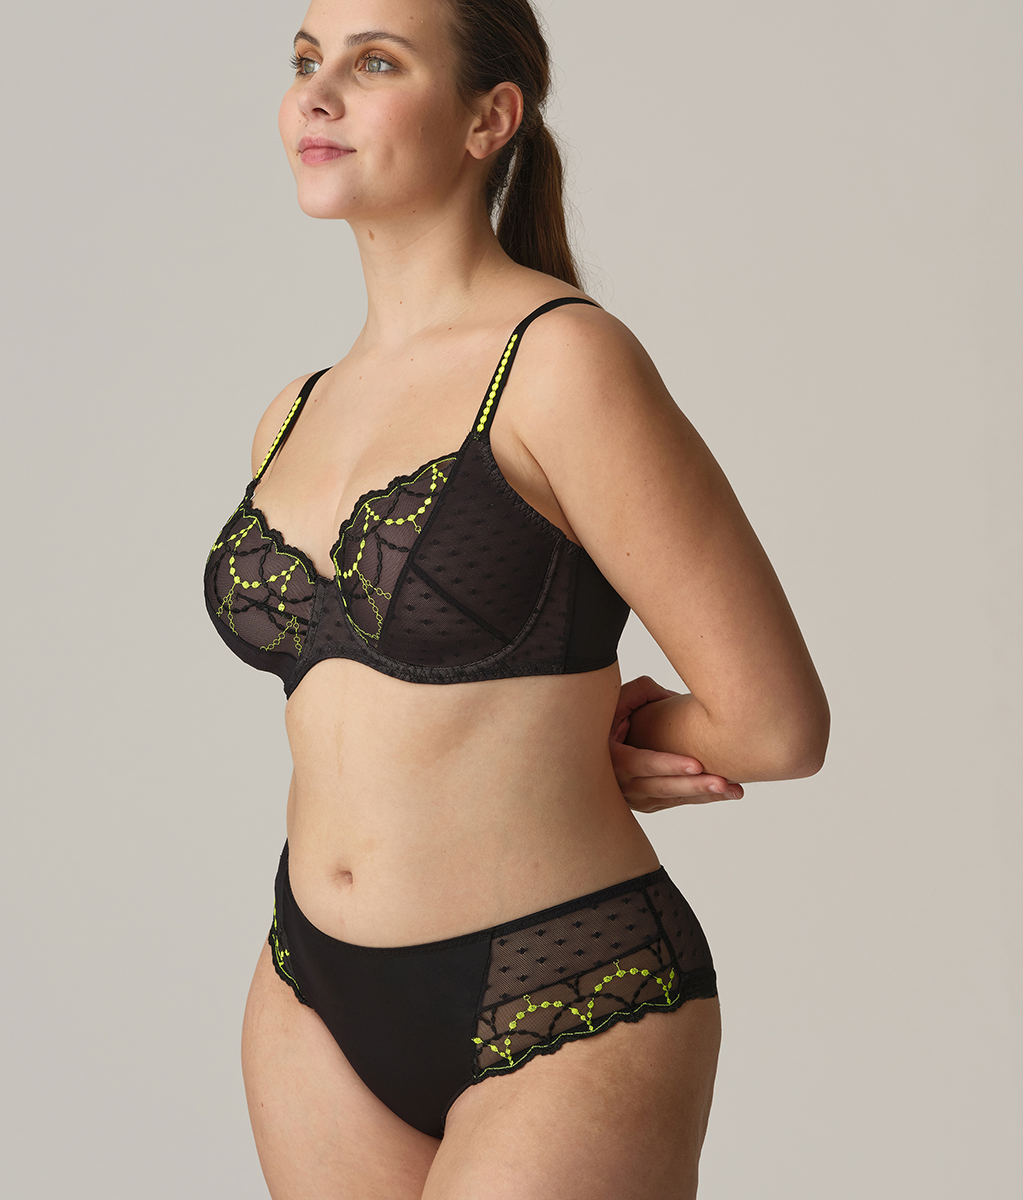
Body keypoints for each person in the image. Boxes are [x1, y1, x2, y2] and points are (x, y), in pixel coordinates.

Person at [204, 1, 829, 1195]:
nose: (317, 94)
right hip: (309, 991)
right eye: (305, 61)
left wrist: (611, 741)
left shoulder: (560, 363)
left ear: (490, 118)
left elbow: (777, 723)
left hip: (564, 984)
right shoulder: (292, 411)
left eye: (373, 63)